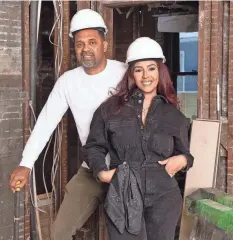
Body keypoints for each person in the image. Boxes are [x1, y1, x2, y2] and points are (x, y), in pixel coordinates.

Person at [8, 9, 127, 240]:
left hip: (126, 168)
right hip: (92, 168)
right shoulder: (68, 82)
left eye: (92, 42)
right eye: (80, 44)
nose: (86, 49)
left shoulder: (124, 73)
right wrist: (26, 164)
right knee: (59, 232)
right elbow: (45, 122)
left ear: (104, 43)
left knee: (127, 231)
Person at [83, 37, 194, 240]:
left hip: (164, 197)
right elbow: (94, 147)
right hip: (123, 193)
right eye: (138, 69)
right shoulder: (110, 110)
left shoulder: (173, 114)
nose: (145, 76)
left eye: (151, 68)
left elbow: (186, 153)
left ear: (160, 71)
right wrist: (102, 173)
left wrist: (184, 160)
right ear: (131, 74)